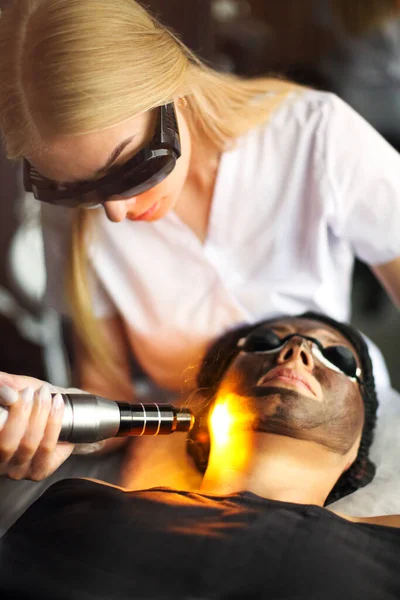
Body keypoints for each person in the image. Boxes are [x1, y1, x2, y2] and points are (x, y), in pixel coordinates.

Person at [0, 0, 399, 486]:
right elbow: (107, 392)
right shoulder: (71, 222)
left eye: (132, 166)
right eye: (78, 191)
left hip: (341, 441)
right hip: (190, 461)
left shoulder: (315, 137)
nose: (116, 213)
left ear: (173, 93)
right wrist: (57, 425)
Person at [0, 313, 399, 600]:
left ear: (358, 451)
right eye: (265, 343)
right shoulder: (84, 502)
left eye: (339, 359)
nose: (297, 349)